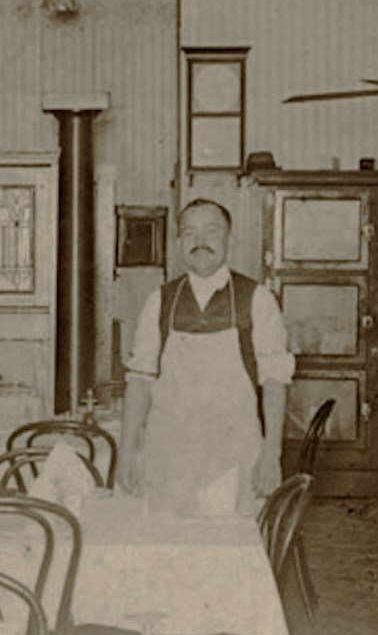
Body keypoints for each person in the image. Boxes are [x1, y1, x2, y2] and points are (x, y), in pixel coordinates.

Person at [121, 199, 295, 518]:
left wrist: (272, 453)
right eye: (189, 233)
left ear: (230, 238)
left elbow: (274, 381)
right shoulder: (159, 301)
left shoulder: (257, 299)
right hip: (170, 456)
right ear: (178, 243)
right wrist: (127, 451)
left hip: (234, 456)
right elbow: (140, 380)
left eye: (211, 231)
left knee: (231, 555)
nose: (200, 242)